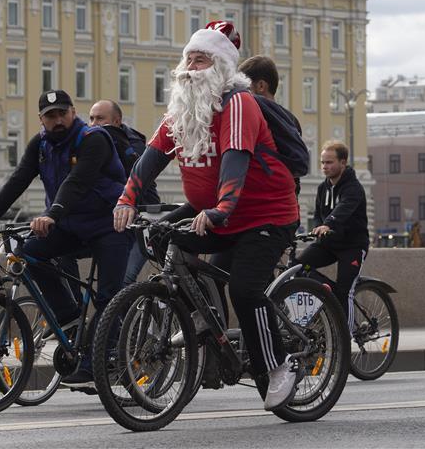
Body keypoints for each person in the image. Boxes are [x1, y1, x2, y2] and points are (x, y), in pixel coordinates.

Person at [112, 21, 303, 411]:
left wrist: (221, 208)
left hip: (265, 215)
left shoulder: (238, 103)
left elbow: (235, 159)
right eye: (189, 59)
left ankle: (278, 366)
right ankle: (205, 331)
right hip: (214, 212)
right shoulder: (182, 108)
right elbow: (150, 160)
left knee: (246, 290)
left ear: (221, 68)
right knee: (165, 239)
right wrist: (126, 199)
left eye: (202, 60)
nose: (191, 67)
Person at [0, 90, 131, 387]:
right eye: (51, 115)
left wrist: (52, 214)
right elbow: (18, 179)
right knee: (28, 255)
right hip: (71, 226)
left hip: (109, 226)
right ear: (41, 119)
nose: (58, 120)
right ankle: (69, 317)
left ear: (72, 112)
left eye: (62, 113)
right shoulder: (41, 144)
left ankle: (93, 366)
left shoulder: (93, 139)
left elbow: (77, 181)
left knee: (109, 296)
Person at [88, 99, 161, 286]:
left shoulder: (132, 145)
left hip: (144, 223)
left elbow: (128, 177)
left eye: (100, 118)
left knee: (124, 279)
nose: (94, 124)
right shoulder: (94, 142)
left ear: (116, 121)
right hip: (116, 223)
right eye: (91, 119)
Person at [299, 141, 369, 332]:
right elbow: (318, 216)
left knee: (344, 291)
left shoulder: (353, 188)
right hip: (329, 244)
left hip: (352, 246)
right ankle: (307, 318)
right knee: (296, 269)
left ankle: (345, 340)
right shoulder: (323, 188)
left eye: (329, 162)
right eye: (322, 163)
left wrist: (328, 224)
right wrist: (316, 228)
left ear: (343, 162)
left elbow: (343, 209)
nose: (324, 167)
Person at [238, 55, 304, 197]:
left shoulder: (257, 116)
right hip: (287, 201)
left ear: (261, 86)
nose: (239, 95)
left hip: (265, 202)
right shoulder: (290, 119)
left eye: (244, 88)